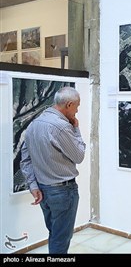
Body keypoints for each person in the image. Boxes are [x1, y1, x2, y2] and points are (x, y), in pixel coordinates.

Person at [20, 86, 86, 254]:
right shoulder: (62, 127)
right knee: (61, 239)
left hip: (43, 191)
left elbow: (26, 160)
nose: (76, 112)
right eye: (77, 107)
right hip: (63, 192)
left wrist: (33, 186)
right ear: (69, 105)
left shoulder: (33, 125)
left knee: (55, 233)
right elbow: (79, 156)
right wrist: (76, 129)